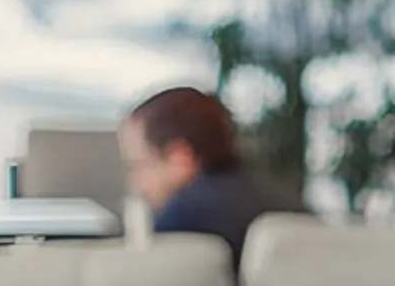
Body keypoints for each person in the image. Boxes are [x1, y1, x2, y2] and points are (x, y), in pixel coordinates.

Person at [118, 87, 306, 271]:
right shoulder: (292, 205)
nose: (136, 182)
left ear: (179, 158)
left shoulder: (183, 217)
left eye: (139, 165)